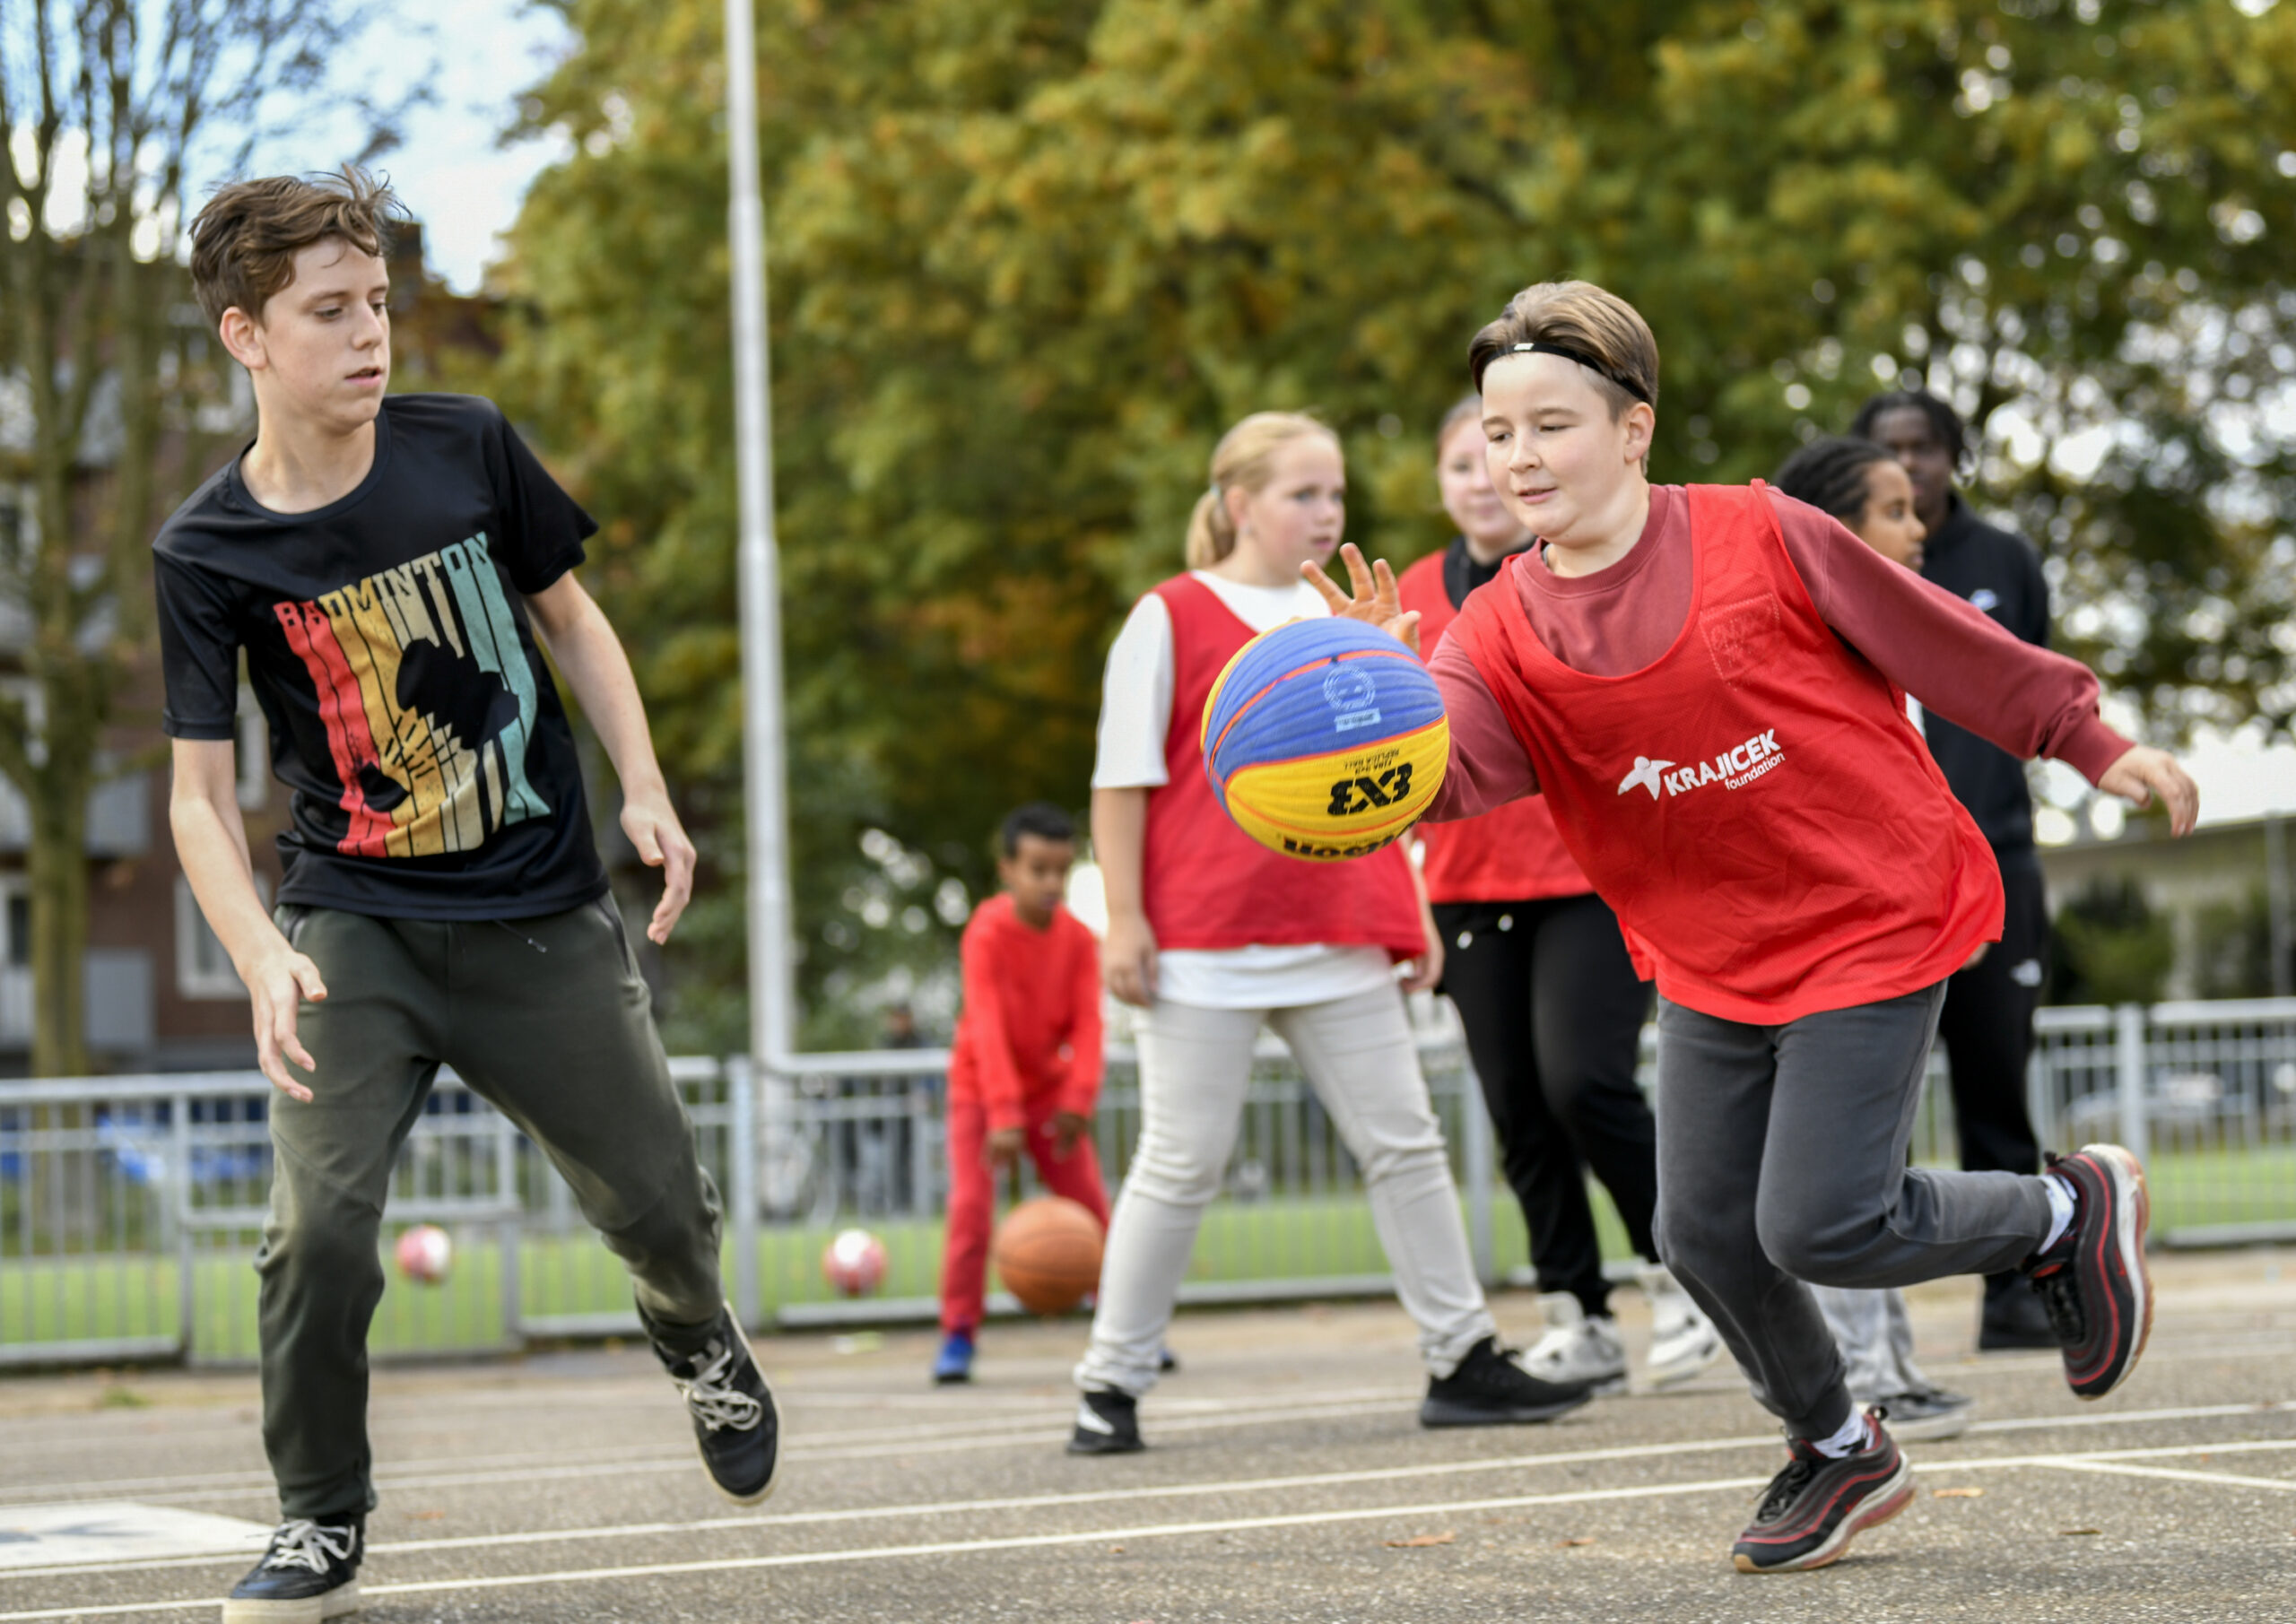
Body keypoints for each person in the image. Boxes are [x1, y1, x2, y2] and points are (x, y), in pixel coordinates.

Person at [1308, 280, 2196, 1573]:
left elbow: (1940, 641)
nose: (1517, 458)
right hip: (1713, 948)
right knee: (1704, 1230)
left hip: (1869, 903)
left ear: (1633, 431)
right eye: (1498, 434)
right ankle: (1838, 1441)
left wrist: (2088, 739)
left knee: (1821, 1219)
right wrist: (1369, 706)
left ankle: (2062, 1211)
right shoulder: (1496, 623)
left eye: (1549, 425)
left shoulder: (1761, 532)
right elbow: (1451, 781)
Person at [156, 171, 774, 1624]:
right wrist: (255, 952)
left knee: (662, 1212)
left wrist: (642, 785)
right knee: (315, 1230)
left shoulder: (466, 445)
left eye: (377, 303)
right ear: (247, 336)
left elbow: (569, 615)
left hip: (539, 910)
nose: (370, 336)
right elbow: (193, 794)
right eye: (330, 312)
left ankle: (694, 1335)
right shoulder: (206, 549)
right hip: (351, 924)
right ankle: (319, 1515)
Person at [1070, 411, 1591, 1455]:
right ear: (1236, 503)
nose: (1325, 512)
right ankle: (1108, 1383)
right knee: (1181, 1160)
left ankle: (1461, 1358)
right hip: (1204, 936)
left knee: (1404, 1144)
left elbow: (1391, 779)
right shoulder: (1166, 615)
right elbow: (1121, 782)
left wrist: (1392, 668)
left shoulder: (1351, 616)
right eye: (1301, 493)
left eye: (1336, 493)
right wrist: (1123, 919)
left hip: (1343, 923)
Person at [1397, 397, 1720, 1393]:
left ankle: (1686, 1274)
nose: (1482, 473)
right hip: (1461, 885)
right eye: (1463, 459)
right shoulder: (1406, 589)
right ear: (1448, 480)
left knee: (1585, 1081)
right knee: (1517, 1107)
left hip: (1583, 871)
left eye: (1496, 450)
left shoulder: (1575, 568)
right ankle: (1574, 1310)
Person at [1769, 434, 1975, 1441]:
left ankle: (1878, 1367)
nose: (1918, 527)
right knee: (1823, 1189)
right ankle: (1865, 1373)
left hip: (1865, 934)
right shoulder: (1807, 641)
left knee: (1848, 1176)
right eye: (1892, 510)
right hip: (1802, 945)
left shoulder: (1882, 640)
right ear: (1831, 534)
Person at [1853, 388, 2060, 1352]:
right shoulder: (1840, 566)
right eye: (1890, 451)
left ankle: (2017, 1291)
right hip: (1882, 877)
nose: (1913, 464)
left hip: (1999, 863)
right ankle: (1871, 1317)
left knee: (1993, 1081)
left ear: (1952, 455)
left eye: (1925, 446)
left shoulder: (2005, 562)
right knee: (1862, 1101)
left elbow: (2031, 690)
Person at [935, 803, 1112, 1384]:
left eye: (1061, 869)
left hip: (1048, 1094)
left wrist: (1076, 1101)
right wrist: (1003, 1112)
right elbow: (984, 1023)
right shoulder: (986, 931)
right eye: (1038, 868)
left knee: (1093, 1207)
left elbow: (1088, 1023)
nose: (1051, 882)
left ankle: (1123, 1326)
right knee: (970, 1211)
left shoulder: (1080, 939)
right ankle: (958, 1333)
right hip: (980, 1090)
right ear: (1008, 868)